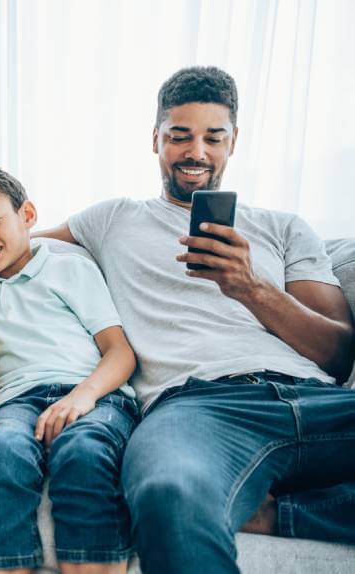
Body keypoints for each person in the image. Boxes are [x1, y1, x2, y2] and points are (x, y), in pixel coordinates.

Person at [37, 66, 355, 573]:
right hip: (197, 408)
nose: (196, 152)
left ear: (234, 142)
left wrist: (250, 288)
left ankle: (284, 516)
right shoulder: (112, 219)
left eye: (214, 137)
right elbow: (3, 249)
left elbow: (338, 356)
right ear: (156, 139)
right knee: (167, 493)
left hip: (319, 399)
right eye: (179, 136)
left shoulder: (284, 228)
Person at [0, 168, 138, 574]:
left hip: (94, 394)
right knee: (0, 454)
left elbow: (120, 353)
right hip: (16, 401)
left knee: (84, 451)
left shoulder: (68, 267)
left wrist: (82, 396)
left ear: (28, 215)